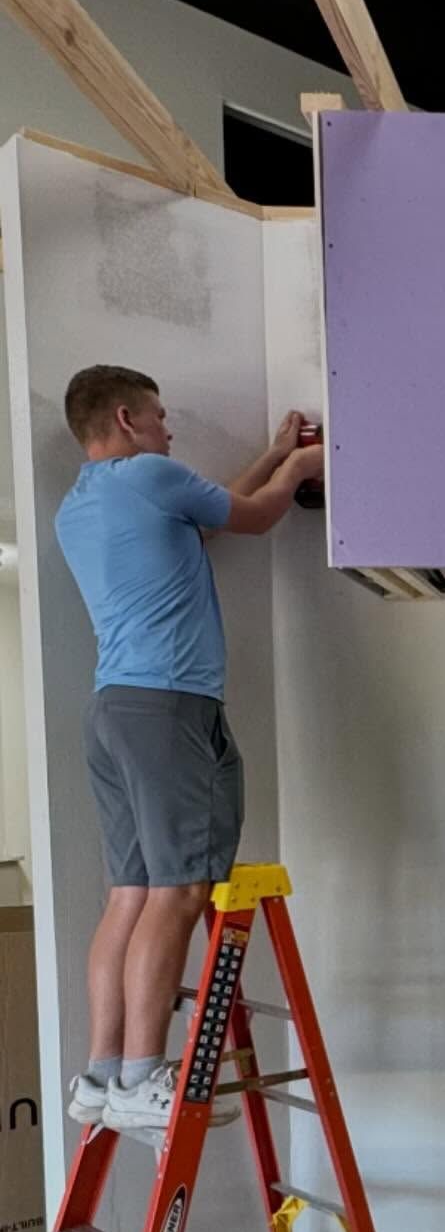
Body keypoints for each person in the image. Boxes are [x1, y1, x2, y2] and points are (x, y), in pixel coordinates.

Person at [55, 365, 322, 1136]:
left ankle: (103, 1078)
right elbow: (255, 518)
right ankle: (144, 1077)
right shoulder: (151, 474)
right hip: (171, 708)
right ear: (128, 416)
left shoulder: (86, 502)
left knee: (130, 897)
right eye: (162, 416)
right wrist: (304, 466)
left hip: (114, 711)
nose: (171, 428)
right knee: (179, 893)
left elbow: (212, 516)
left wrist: (275, 455)